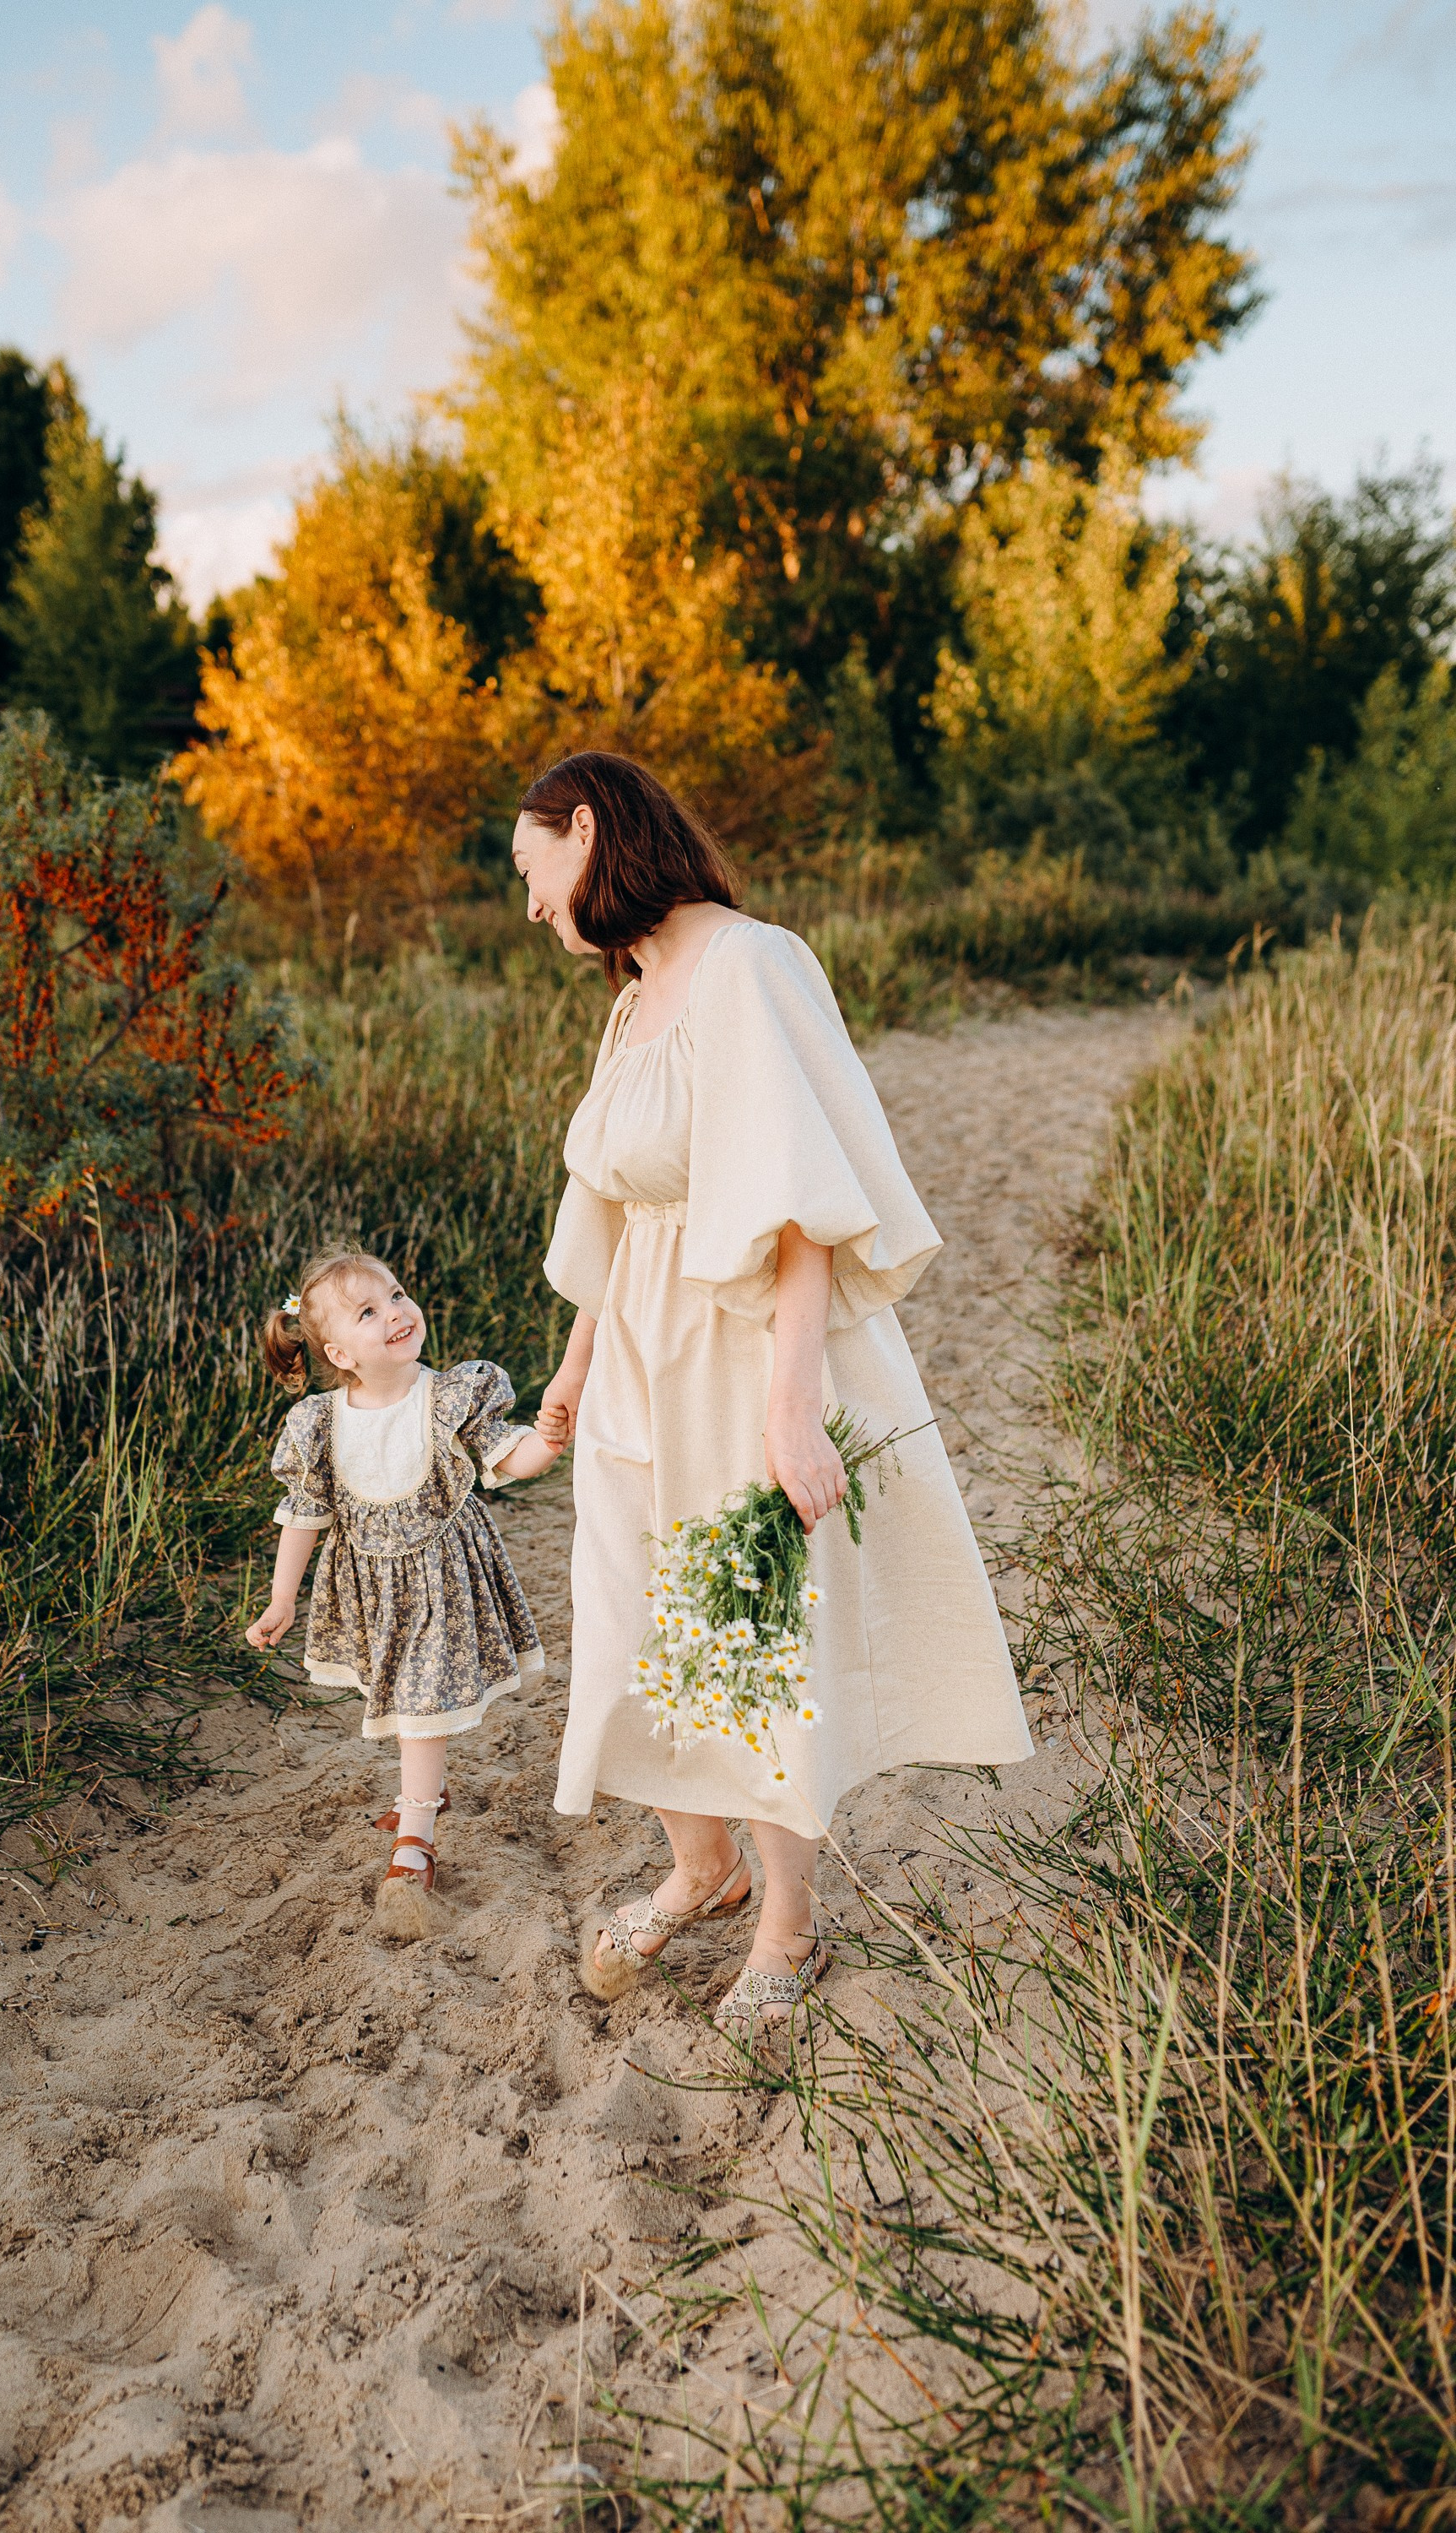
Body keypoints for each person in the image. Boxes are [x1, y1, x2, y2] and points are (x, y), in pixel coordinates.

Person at [518, 753, 1032, 2038]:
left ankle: (785, 1923)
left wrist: (790, 1406)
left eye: (533, 874)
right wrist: (574, 1372)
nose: (531, 909)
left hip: (737, 1349)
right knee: (634, 1623)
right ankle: (701, 1866)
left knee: (743, 1629)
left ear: (586, 831)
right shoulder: (634, 995)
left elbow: (800, 1211)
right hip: (635, 1349)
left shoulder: (754, 965)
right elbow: (625, 1204)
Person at [246, 1248, 561, 1937]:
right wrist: (282, 1600)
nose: (395, 1312)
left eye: (396, 1294)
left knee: (420, 1702)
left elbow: (511, 1456)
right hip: (371, 1594)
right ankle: (431, 1787)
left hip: (445, 1583)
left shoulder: (450, 1395)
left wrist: (551, 1438)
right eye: (369, 1312)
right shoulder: (319, 1425)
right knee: (401, 1699)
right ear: (339, 1351)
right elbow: (304, 1515)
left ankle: (415, 1835)